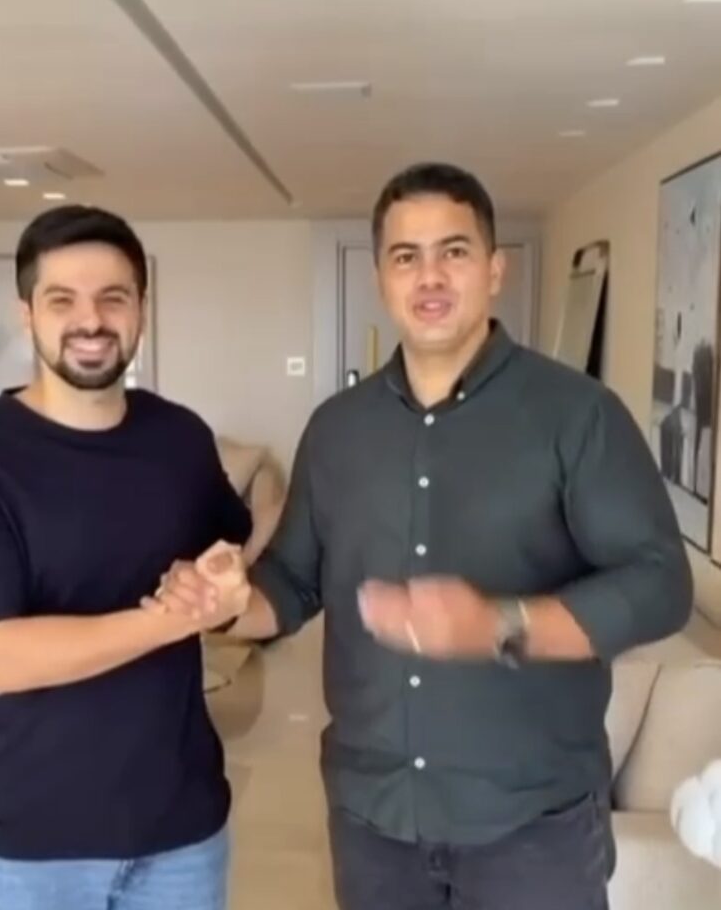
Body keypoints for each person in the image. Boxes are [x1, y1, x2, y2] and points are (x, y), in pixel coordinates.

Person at [148, 162, 694, 910]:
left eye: (454, 251)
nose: (429, 276)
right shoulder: (336, 429)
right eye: (406, 256)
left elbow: (660, 582)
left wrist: (501, 624)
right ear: (382, 278)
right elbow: (293, 581)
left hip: (532, 824)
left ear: (494, 270)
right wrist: (227, 605)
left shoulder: (578, 415)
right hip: (373, 819)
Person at [0, 205, 252, 910]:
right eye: (62, 300)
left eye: (113, 297)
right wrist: (170, 620)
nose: (90, 320)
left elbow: (228, 554)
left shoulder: (180, 437)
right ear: (27, 315)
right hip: (27, 848)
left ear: (141, 311)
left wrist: (218, 582)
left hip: (181, 833)